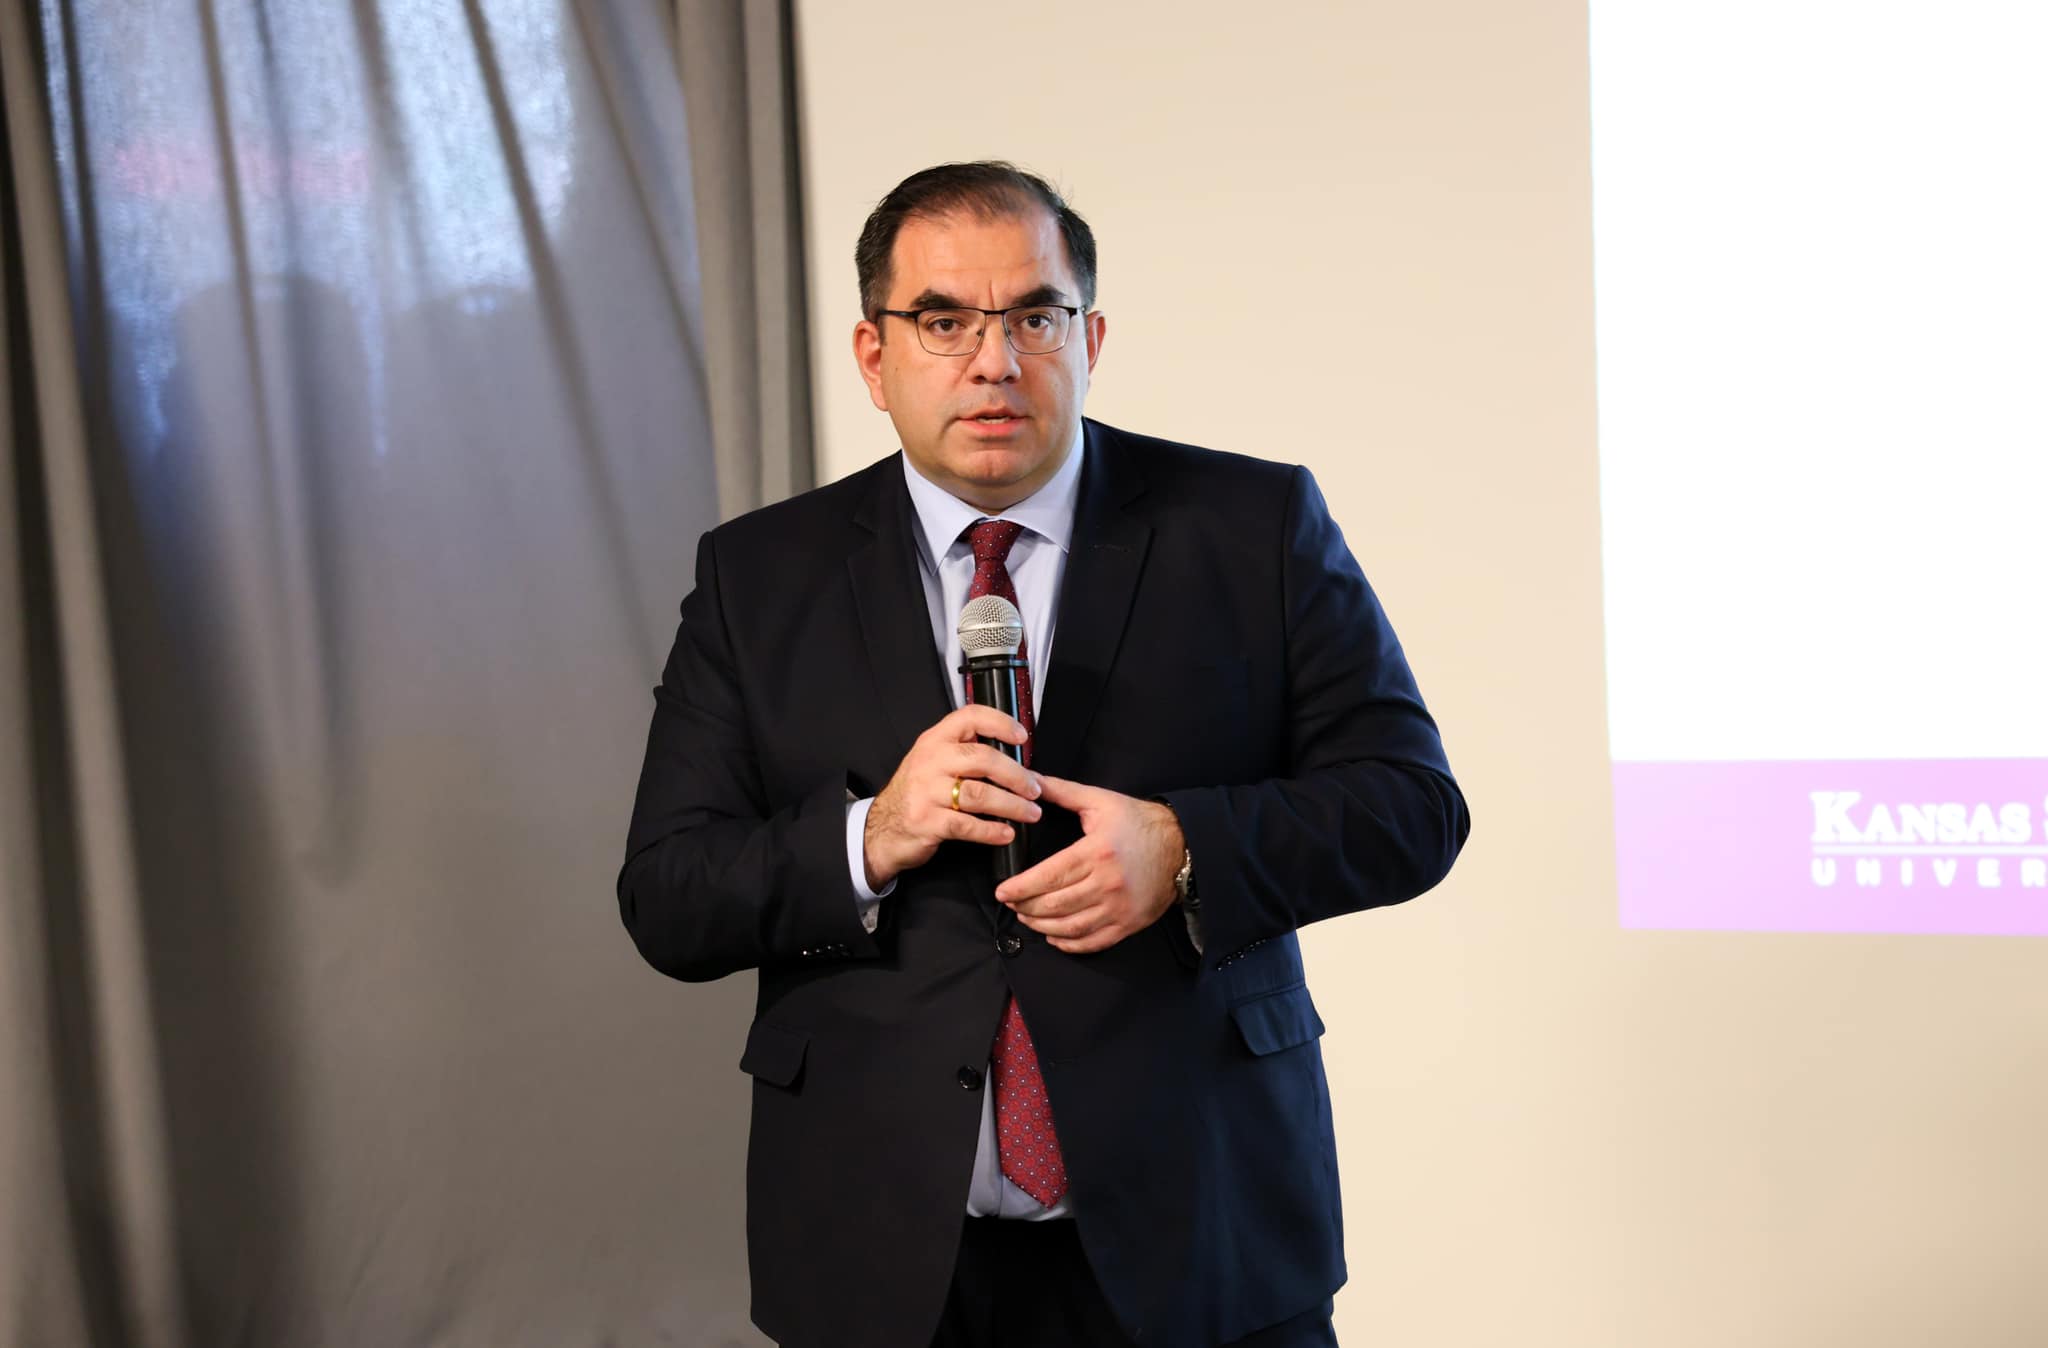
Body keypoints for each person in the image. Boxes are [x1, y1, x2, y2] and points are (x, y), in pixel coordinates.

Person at [618, 161, 1469, 1348]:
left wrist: (1185, 850)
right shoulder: (757, 577)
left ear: (1090, 337)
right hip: (884, 1258)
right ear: (872, 356)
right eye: (942, 322)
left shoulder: (1251, 527)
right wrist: (869, 836)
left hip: (1202, 1232)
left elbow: (1410, 806)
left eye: (1033, 316)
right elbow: (669, 895)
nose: (993, 361)